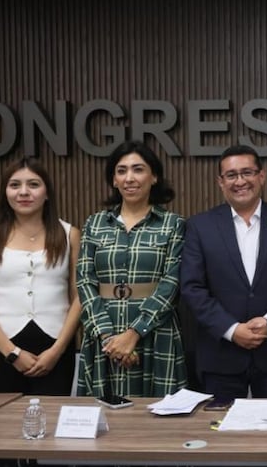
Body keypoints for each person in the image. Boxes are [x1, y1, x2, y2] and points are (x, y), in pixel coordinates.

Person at [181, 144, 267, 399]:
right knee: (221, 434)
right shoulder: (199, 226)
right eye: (231, 175)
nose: (240, 181)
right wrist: (231, 329)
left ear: (262, 176)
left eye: (247, 172)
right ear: (221, 182)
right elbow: (192, 287)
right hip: (220, 355)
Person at [76, 141, 187, 399]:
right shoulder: (95, 223)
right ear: (113, 180)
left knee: (159, 419)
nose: (130, 178)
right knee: (100, 420)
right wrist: (109, 338)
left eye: (138, 169)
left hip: (155, 331)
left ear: (154, 176)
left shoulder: (173, 224)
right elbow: (84, 280)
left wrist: (134, 334)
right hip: (104, 332)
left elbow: (172, 282)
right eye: (121, 171)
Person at [0, 158, 80, 395]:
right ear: (5, 192)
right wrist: (12, 353)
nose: (24, 192)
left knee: (54, 423)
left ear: (47, 193)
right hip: (2, 350)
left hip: (56, 351)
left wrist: (56, 351)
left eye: (33, 185)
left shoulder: (70, 235)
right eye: (15, 185)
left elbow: (80, 297)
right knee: (7, 426)